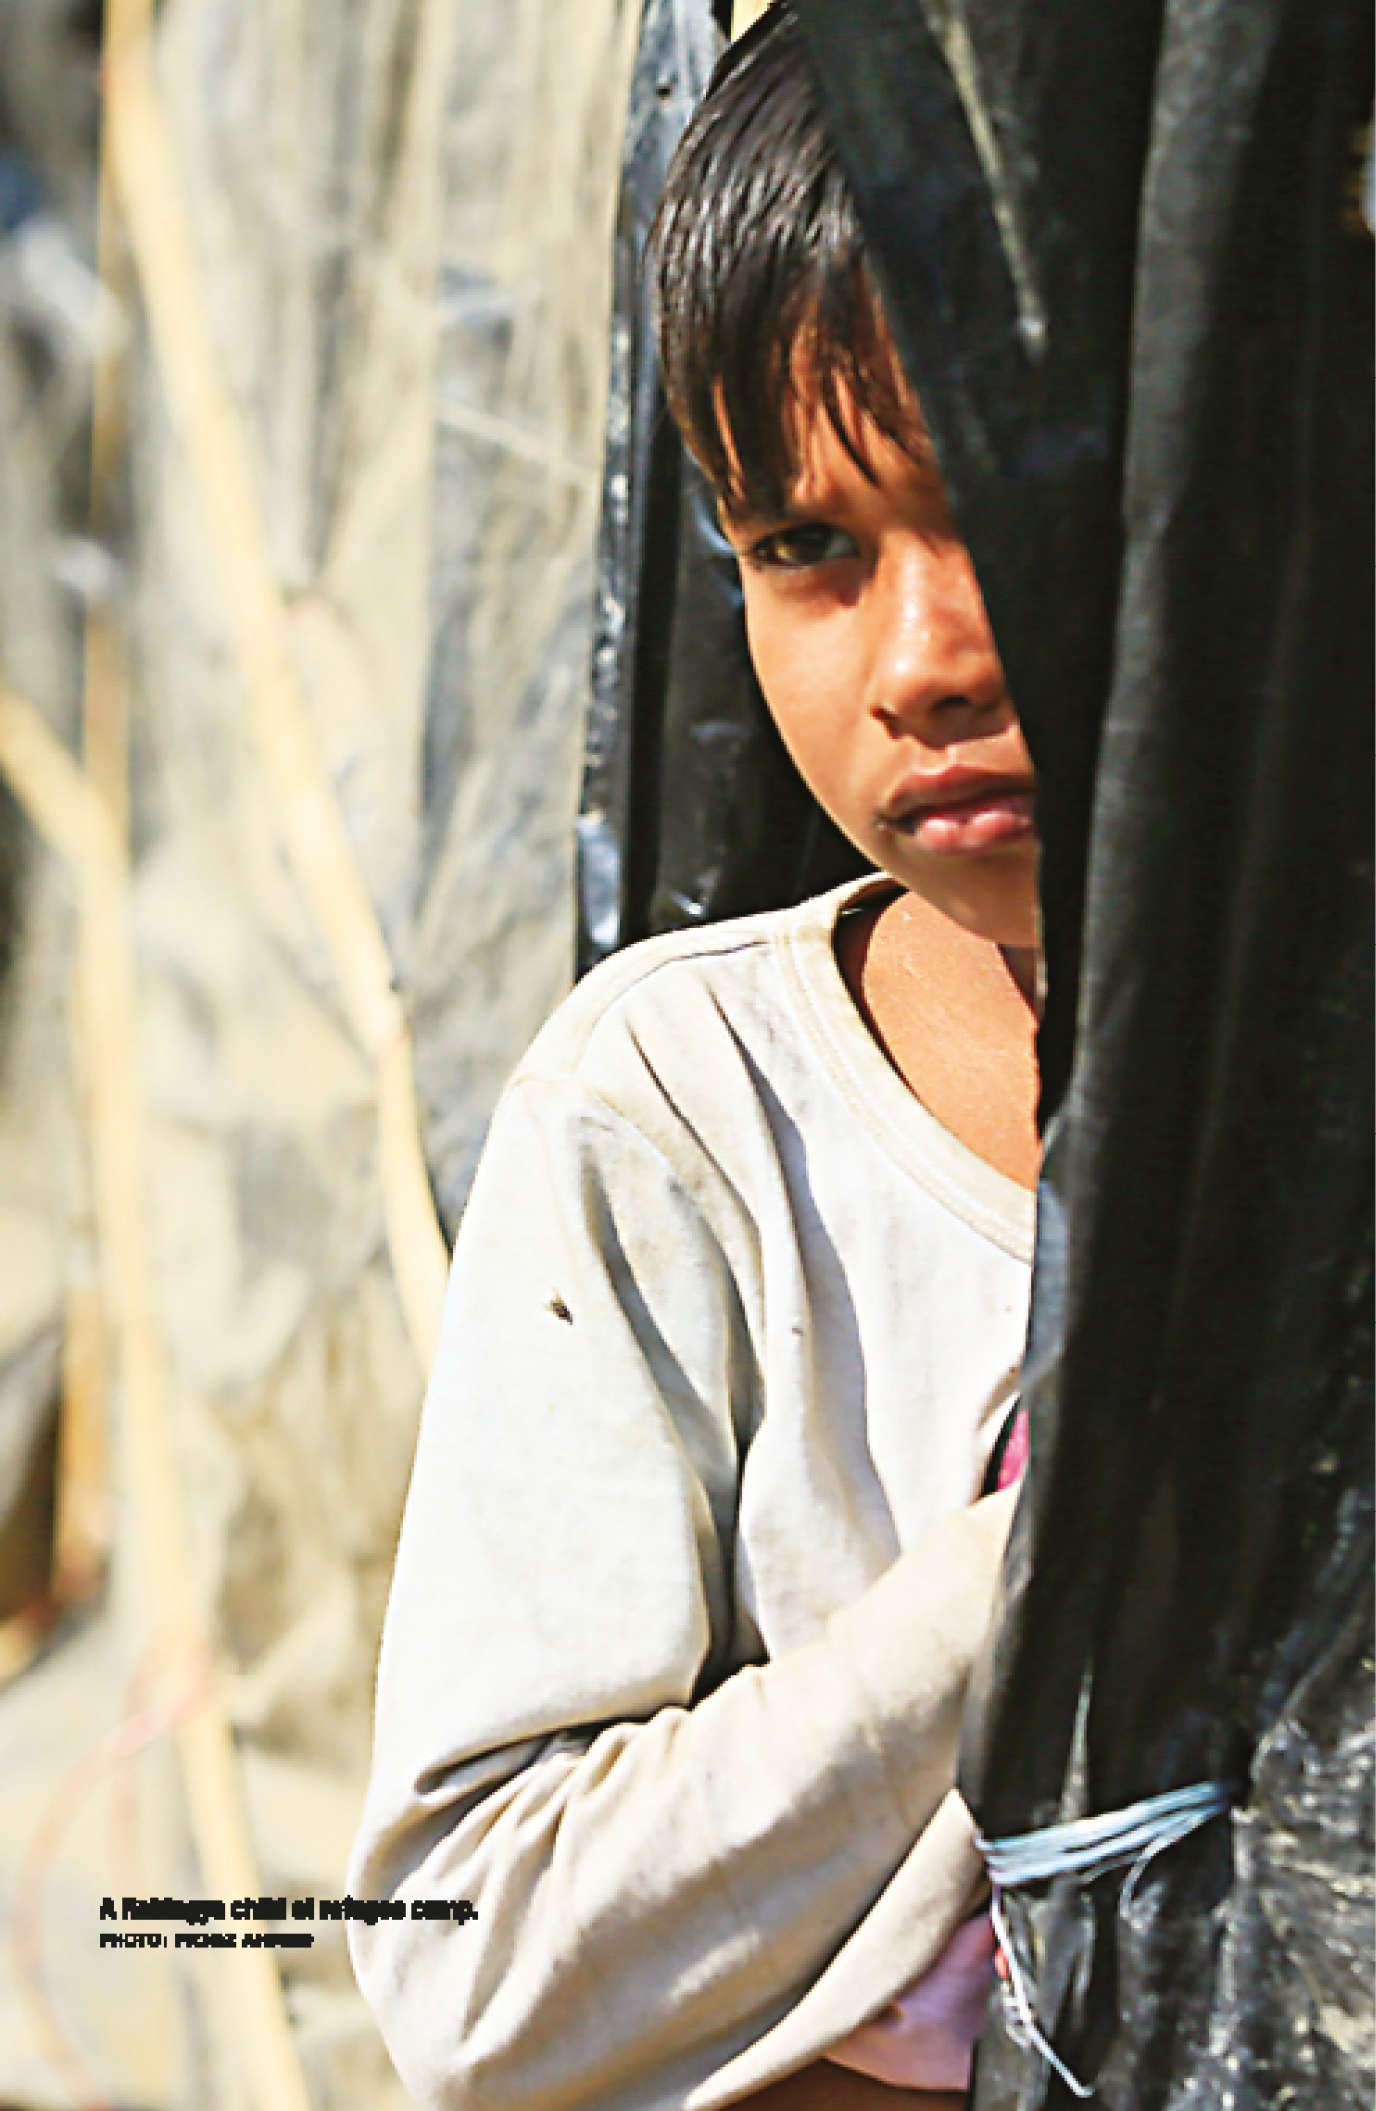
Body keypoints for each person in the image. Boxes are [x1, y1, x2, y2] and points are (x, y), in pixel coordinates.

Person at [348, 7, 1040, 2105]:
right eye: (805, 547)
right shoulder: (683, 1111)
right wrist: (1039, 1560)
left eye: (1011, 506)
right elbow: (465, 1959)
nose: (924, 660)